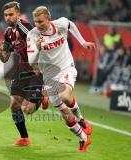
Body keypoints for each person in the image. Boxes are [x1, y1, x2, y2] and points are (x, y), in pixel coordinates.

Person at [26, 6, 94, 152]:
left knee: (65, 96)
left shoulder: (61, 24)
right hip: (49, 76)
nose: (38, 25)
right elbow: (31, 62)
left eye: (41, 22)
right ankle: (84, 138)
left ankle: (81, 119)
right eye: (35, 22)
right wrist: (37, 48)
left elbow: (71, 25)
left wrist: (82, 42)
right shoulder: (32, 35)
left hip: (66, 67)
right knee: (64, 112)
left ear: (48, 19)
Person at [0, 1, 48, 146]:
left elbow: (43, 43)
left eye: (11, 14)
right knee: (14, 105)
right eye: (6, 15)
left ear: (18, 14)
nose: (8, 17)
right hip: (21, 70)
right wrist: (0, 52)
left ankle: (42, 95)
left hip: (36, 70)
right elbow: (5, 58)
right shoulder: (7, 33)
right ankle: (25, 139)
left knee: (28, 110)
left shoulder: (26, 28)